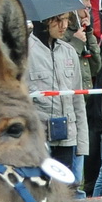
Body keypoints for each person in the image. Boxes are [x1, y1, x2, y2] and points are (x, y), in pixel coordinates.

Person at [28, 9, 89, 176]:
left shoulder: (69, 52)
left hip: (68, 139)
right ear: (43, 21)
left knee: (67, 194)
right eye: (58, 20)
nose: (64, 26)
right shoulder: (24, 53)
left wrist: (82, 145)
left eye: (67, 20)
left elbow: (78, 101)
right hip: (38, 141)